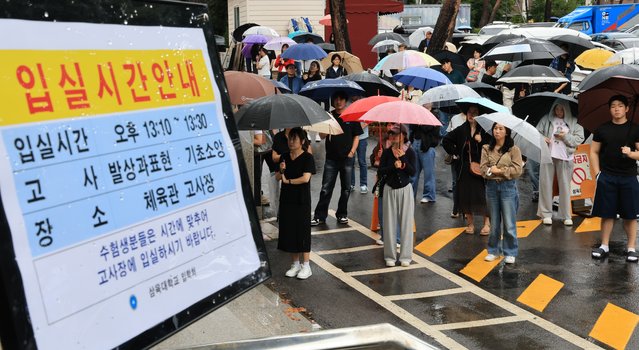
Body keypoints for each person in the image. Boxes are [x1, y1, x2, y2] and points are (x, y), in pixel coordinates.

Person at [590, 95, 639, 262]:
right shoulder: (602, 129)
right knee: (607, 213)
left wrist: (630, 153)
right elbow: (594, 151)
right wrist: (597, 173)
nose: (616, 109)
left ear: (627, 109)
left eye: (620, 106)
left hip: (629, 177)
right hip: (607, 176)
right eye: (613, 106)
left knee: (630, 215)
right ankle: (604, 245)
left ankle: (631, 248)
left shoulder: (635, 129)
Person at [311, 91, 363, 225]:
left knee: (346, 189)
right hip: (331, 159)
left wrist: (352, 151)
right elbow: (321, 136)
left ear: (345, 101)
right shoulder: (329, 116)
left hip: (347, 158)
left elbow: (356, 136)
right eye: (336, 99)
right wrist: (326, 125)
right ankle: (319, 216)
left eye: (341, 99)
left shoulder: (351, 117)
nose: (338, 102)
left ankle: (342, 214)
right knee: (325, 188)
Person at [443, 104, 491, 235]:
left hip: (481, 168)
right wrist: (456, 153)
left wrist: (481, 142)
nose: (471, 114)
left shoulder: (485, 131)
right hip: (464, 168)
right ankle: (470, 224)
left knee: (482, 196)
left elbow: (491, 148)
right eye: (469, 112)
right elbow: (446, 140)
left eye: (475, 112)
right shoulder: (461, 129)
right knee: (465, 195)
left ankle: (487, 224)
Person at [480, 123, 524, 264]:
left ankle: (510, 252)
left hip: (508, 188)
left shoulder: (514, 150)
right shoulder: (486, 148)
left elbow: (517, 170)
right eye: (495, 128)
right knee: (494, 222)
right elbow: (483, 169)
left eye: (501, 129)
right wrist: (490, 171)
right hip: (491, 187)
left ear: (507, 132)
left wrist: (499, 171)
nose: (497, 131)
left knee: (509, 222)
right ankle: (493, 250)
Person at [537, 99, 584, 226]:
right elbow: (537, 132)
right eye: (556, 109)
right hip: (548, 155)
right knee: (545, 184)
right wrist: (543, 139)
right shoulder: (547, 119)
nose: (558, 112)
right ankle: (546, 214)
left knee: (565, 186)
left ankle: (566, 215)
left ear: (566, 110)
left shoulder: (574, 122)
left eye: (561, 109)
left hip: (566, 157)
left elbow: (579, 138)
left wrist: (565, 136)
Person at [277, 128, 316, 279]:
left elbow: (305, 178)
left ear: (303, 141)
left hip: (301, 200)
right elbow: (277, 177)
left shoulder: (307, 158)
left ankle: (306, 266)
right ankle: (295, 264)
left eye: (295, 139)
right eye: (290, 139)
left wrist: (289, 181)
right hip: (287, 199)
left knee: (302, 230)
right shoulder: (284, 157)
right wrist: (281, 170)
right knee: (290, 230)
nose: (291, 142)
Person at [378, 124, 416, 267]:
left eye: (395, 134)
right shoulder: (387, 153)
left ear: (403, 136)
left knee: (406, 223)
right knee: (389, 223)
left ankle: (406, 256)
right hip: (389, 189)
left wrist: (404, 161)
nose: (392, 137)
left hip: (405, 189)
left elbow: (413, 172)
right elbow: (381, 171)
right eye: (391, 134)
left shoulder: (410, 152)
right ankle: (390, 256)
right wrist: (393, 166)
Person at [410, 122, 440, 203]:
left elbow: (427, 128)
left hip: (428, 146)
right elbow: (412, 126)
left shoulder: (433, 116)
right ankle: (410, 194)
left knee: (428, 173)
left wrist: (420, 123)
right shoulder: (417, 113)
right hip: (415, 142)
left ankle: (429, 196)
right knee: (413, 172)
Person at [351, 120, 369, 193]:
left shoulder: (364, 109)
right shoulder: (348, 108)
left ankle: (363, 185)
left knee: (362, 162)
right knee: (351, 162)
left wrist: (357, 129)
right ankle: (351, 184)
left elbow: (367, 121)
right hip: (351, 138)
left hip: (362, 138)